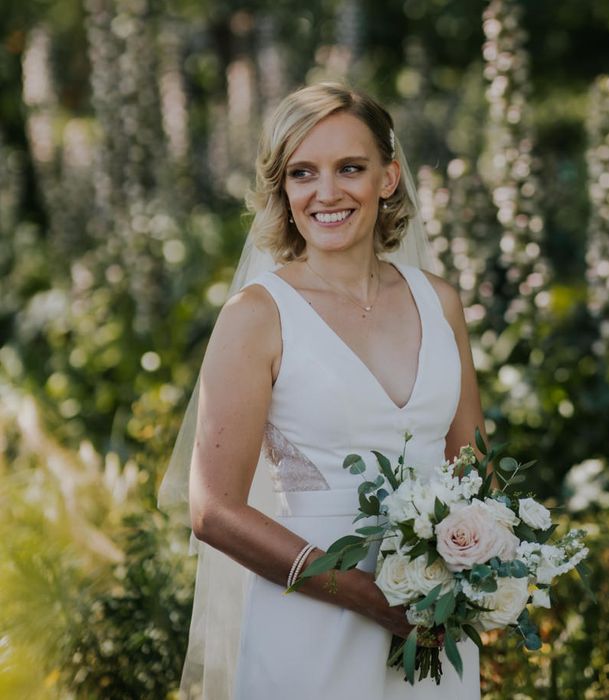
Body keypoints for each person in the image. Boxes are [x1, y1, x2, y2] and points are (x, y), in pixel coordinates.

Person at [160, 82, 486, 700]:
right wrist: (370, 597)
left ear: (388, 178)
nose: (327, 192)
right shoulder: (257, 316)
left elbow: (472, 464)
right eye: (303, 172)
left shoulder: (439, 301)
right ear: (283, 189)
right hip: (313, 621)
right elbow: (213, 510)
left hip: (434, 624)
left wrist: (481, 570)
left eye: (351, 168)